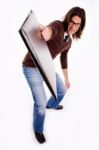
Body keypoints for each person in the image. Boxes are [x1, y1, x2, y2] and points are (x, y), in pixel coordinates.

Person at [22, 6, 86, 144]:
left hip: (46, 67)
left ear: (81, 26)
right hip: (31, 66)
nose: (73, 26)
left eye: (77, 24)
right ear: (68, 19)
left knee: (62, 90)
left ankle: (51, 105)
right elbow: (50, 31)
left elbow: (64, 59)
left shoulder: (68, 41)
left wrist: (66, 78)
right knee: (40, 103)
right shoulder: (58, 25)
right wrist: (44, 31)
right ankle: (38, 129)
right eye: (72, 22)